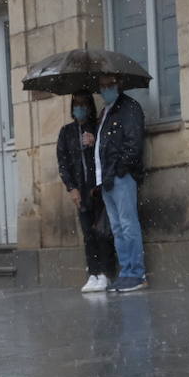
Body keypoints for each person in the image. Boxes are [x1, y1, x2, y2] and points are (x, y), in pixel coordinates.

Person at [91, 73, 148, 292]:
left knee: (127, 224)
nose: (105, 89)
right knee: (117, 227)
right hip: (107, 177)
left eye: (110, 85)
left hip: (120, 176)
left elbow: (133, 142)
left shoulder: (129, 108)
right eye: (102, 85)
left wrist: (120, 169)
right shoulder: (105, 111)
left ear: (119, 84)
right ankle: (126, 272)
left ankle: (137, 273)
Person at [57, 91, 116, 293]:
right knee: (88, 234)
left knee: (103, 232)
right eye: (76, 104)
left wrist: (94, 144)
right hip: (80, 192)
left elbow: (106, 155)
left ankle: (106, 273)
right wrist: (71, 188)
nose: (79, 108)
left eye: (83, 104)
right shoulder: (66, 132)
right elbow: (63, 163)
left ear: (90, 107)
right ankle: (93, 272)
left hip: (96, 189)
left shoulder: (96, 128)